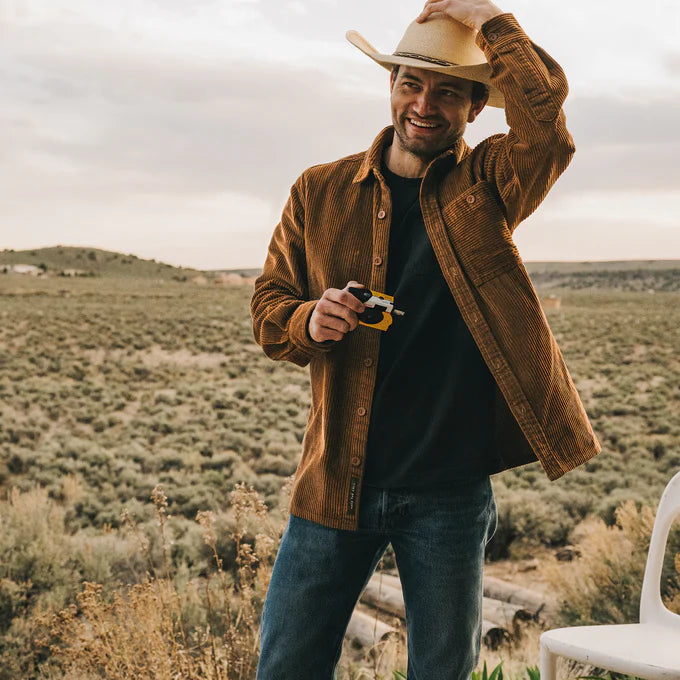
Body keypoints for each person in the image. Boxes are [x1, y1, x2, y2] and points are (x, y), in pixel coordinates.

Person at [251, 0, 601, 677]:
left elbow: (547, 122)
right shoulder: (318, 192)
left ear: (476, 107)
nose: (423, 102)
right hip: (333, 485)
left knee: (442, 671)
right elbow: (269, 310)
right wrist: (308, 321)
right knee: (285, 667)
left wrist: (488, 16)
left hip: (447, 492)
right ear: (390, 87)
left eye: (448, 91)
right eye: (410, 81)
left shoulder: (490, 184)